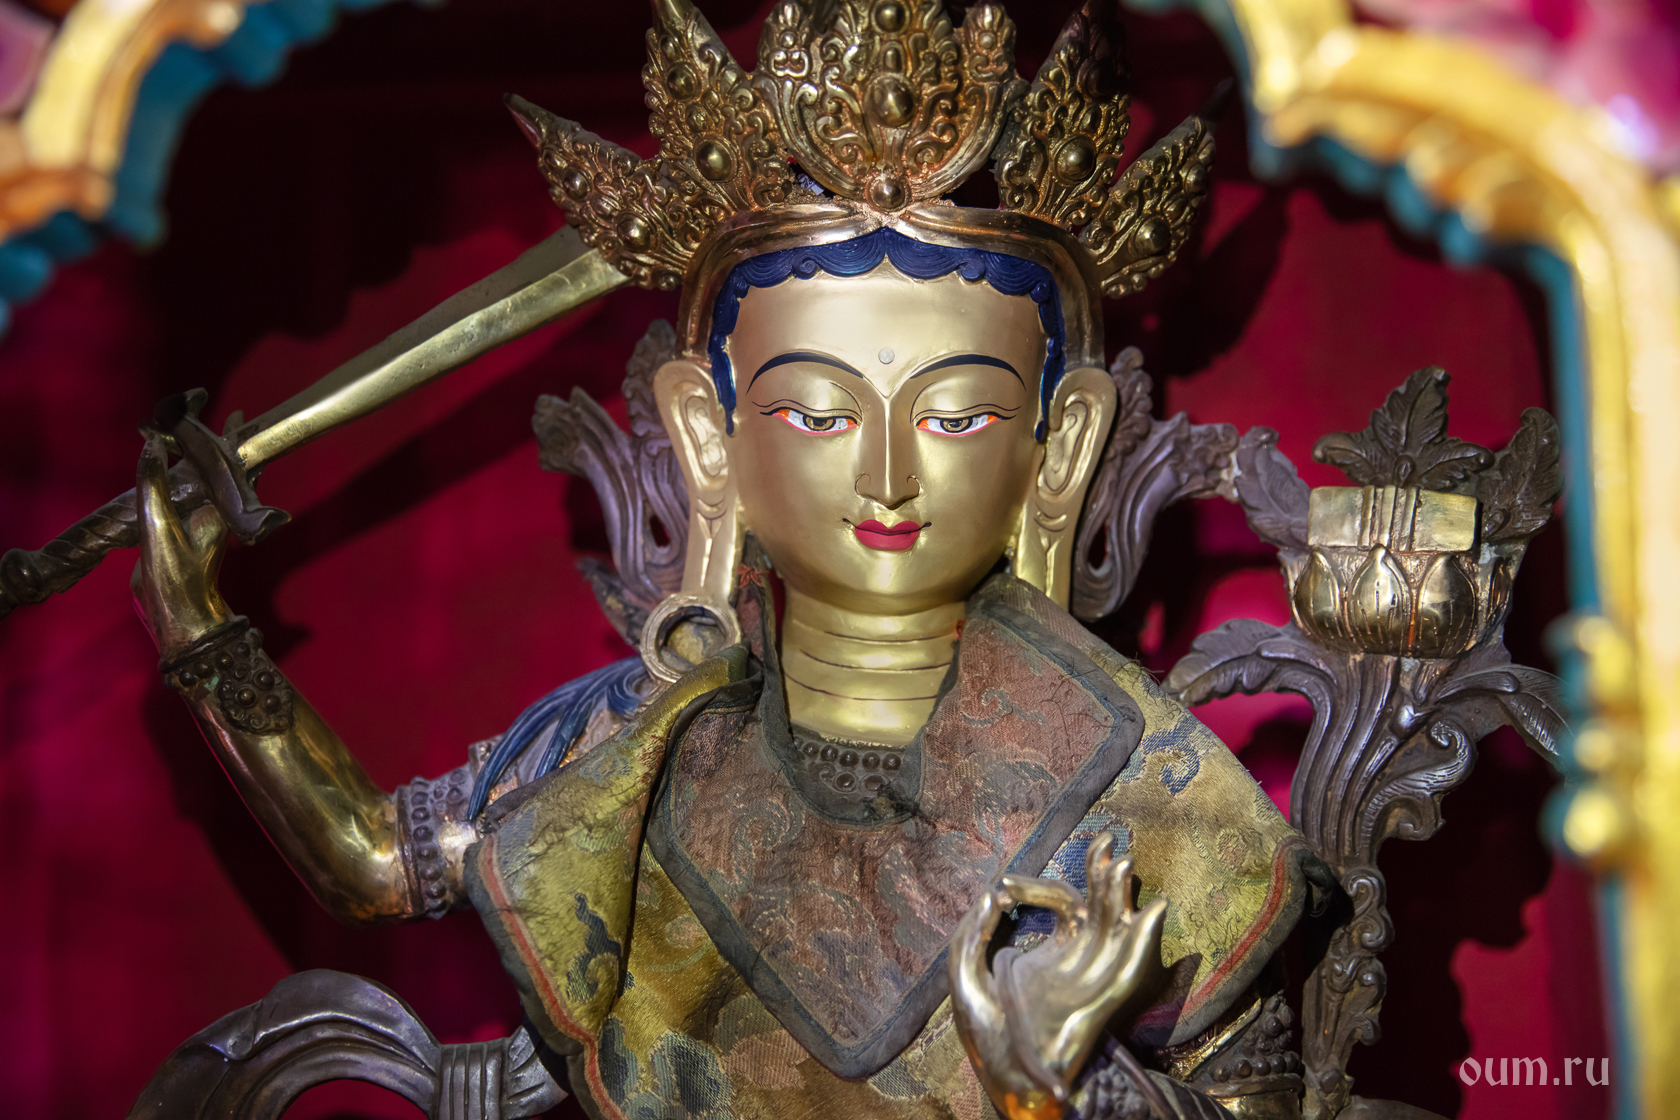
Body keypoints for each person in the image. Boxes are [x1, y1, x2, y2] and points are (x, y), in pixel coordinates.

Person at [128, 2, 1316, 1116]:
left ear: (1060, 447)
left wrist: (1070, 1089)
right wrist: (199, 631)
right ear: (710, 434)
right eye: (816, 413)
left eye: (956, 415)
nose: (887, 473)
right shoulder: (637, 747)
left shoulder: (1158, 802)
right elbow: (374, 860)